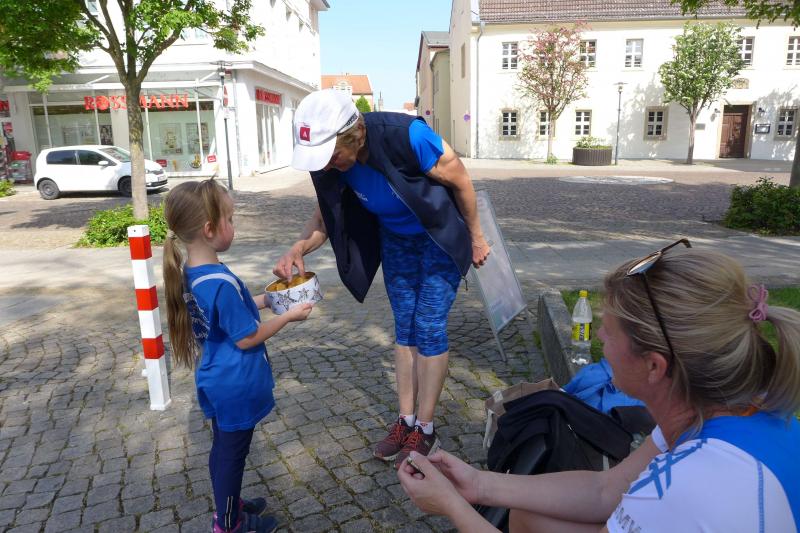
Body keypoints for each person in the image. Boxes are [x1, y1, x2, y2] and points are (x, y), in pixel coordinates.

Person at [399, 242, 800, 532]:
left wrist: (452, 507)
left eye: (607, 332)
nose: (599, 340)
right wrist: (477, 485)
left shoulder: (682, 488)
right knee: (529, 517)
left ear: (654, 366)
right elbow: (606, 490)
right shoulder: (718, 408)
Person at [273, 89, 491, 467]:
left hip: (438, 236)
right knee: (405, 327)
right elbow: (324, 218)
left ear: (355, 134)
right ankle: (405, 421)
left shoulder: (407, 136)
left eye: (332, 155)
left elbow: (461, 180)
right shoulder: (329, 164)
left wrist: (477, 237)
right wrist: (298, 247)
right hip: (396, 239)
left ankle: (426, 428)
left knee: (429, 325)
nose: (327, 165)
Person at [163, 179, 313, 533]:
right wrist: (288, 316)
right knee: (232, 455)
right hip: (235, 383)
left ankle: (228, 502)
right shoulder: (219, 282)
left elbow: (232, 313)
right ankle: (228, 522)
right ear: (209, 229)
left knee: (223, 449)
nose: (234, 224)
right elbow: (247, 337)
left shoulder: (195, 273)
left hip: (216, 377)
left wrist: (272, 300)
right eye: (229, 218)